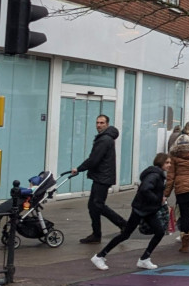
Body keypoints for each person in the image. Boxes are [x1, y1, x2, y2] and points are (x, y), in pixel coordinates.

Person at [91, 153, 171, 271]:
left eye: (170, 163)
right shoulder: (155, 175)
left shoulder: (157, 174)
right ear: (160, 163)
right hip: (141, 209)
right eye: (167, 163)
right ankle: (100, 256)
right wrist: (158, 199)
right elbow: (145, 189)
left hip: (146, 209)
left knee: (158, 232)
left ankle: (144, 258)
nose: (169, 165)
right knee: (126, 234)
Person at [71, 113, 126, 244]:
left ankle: (123, 224)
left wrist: (79, 168)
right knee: (93, 206)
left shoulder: (105, 139)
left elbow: (94, 159)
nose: (98, 125)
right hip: (101, 176)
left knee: (97, 205)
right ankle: (96, 234)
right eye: (97, 123)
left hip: (103, 177)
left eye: (101, 123)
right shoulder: (104, 138)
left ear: (107, 124)